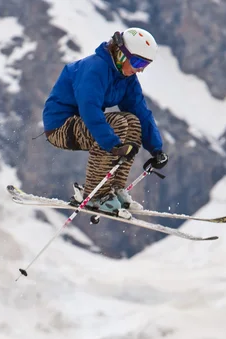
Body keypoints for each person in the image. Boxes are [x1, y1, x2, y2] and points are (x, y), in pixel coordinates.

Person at [42, 27, 168, 214]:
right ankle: (96, 194)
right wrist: (113, 144)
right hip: (60, 127)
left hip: (83, 125)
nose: (139, 69)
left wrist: (156, 149)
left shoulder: (127, 78)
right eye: (137, 61)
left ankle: (114, 190)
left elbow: (141, 112)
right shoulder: (94, 69)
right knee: (117, 123)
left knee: (133, 122)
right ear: (121, 53)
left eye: (145, 64)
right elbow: (89, 109)